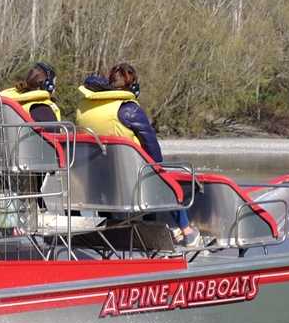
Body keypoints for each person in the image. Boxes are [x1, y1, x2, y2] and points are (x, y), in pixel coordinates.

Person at [76, 62, 202, 247]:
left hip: (96, 184)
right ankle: (186, 231)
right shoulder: (129, 109)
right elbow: (154, 154)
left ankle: (119, 231)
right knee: (163, 180)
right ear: (132, 87)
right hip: (130, 182)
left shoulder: (85, 108)